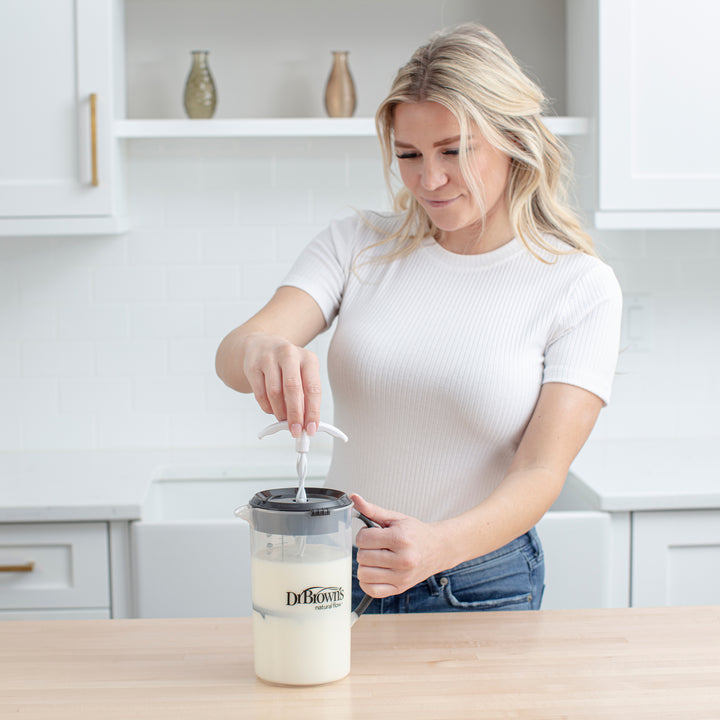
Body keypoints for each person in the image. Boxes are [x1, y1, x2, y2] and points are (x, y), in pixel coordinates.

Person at [216, 23, 622, 613]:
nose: (429, 180)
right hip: (337, 568)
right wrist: (260, 350)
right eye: (409, 155)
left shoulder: (578, 286)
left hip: (477, 581)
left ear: (513, 140)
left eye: (454, 152)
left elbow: (540, 470)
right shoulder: (358, 244)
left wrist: (437, 546)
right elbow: (237, 352)